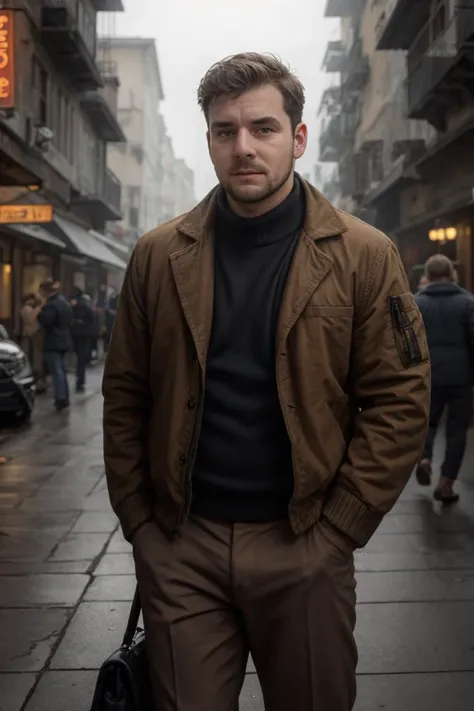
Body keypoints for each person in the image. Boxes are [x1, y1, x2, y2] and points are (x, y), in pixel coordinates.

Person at [103, 53, 430, 711]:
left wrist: (341, 526)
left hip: (306, 541)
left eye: (263, 128)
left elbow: (400, 396)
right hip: (182, 548)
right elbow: (125, 392)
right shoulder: (158, 255)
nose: (243, 147)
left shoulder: (364, 255)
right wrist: (141, 520)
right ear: (210, 142)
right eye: (225, 131)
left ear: (298, 138)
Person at [415, 254, 474, 503]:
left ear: (427, 275)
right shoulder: (467, 302)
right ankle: (445, 484)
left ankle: (425, 458)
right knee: (456, 431)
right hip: (461, 377)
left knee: (427, 423)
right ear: (452, 274)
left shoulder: (417, 303)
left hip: (428, 376)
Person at [37, 278, 72, 411]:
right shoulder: (64, 302)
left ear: (46, 291)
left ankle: (60, 398)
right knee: (62, 371)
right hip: (64, 340)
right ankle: (65, 397)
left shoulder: (51, 304)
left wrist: (40, 313)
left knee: (57, 371)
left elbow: (46, 320)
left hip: (53, 342)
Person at [70, 286, 94, 393]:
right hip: (83, 333)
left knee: (80, 357)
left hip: (80, 333)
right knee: (81, 357)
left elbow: (89, 316)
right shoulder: (86, 302)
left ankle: (80, 380)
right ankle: (80, 379)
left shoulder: (81, 303)